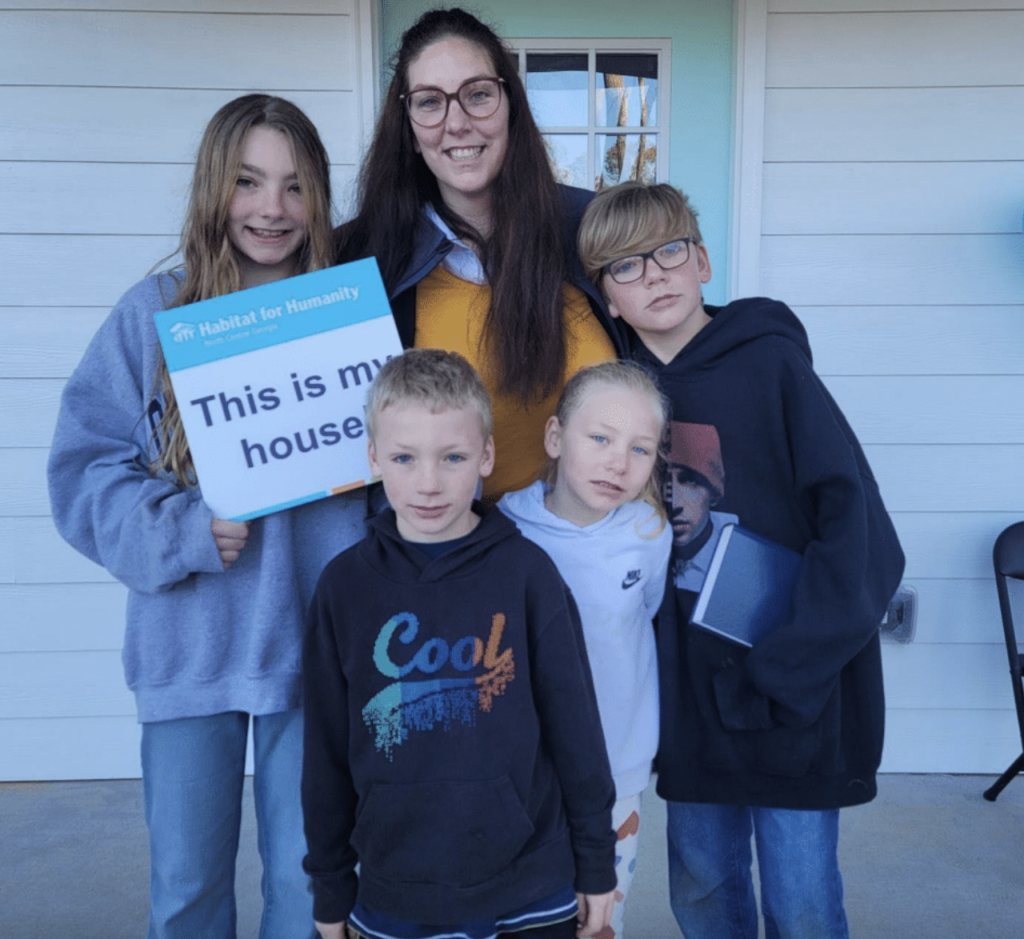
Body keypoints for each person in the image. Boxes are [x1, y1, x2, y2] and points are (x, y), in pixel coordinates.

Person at [47, 95, 365, 939]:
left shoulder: (350, 321)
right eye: (248, 182)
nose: (272, 208)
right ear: (211, 188)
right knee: (187, 889)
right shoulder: (149, 316)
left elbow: (410, 460)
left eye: (296, 187)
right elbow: (82, 473)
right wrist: (182, 529)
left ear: (321, 198)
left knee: (312, 892)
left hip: (316, 648)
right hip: (188, 647)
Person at [577, 182, 906, 939]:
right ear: (608, 299)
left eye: (668, 251)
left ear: (703, 261)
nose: (653, 274)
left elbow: (862, 536)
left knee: (802, 900)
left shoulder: (773, 369)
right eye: (625, 267)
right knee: (703, 886)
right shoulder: (611, 396)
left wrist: (790, 667)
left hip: (791, 693)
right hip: (690, 702)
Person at [301, 349, 617, 939]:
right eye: (403, 457)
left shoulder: (528, 575)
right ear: (373, 458)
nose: (428, 483)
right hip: (396, 889)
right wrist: (331, 888)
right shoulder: (344, 587)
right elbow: (324, 755)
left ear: (487, 456)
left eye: (453, 457)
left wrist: (596, 865)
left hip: (531, 884)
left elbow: (577, 730)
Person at [335, 7, 623, 500]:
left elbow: (678, 335)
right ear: (407, 124)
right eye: (429, 102)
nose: (457, 122)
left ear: (509, 101)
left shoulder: (588, 225)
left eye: (478, 95)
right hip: (445, 558)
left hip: (590, 548)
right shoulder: (360, 257)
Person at [498, 361, 672, 938]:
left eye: (639, 448)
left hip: (615, 767)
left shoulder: (649, 532)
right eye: (599, 438)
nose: (617, 462)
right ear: (555, 437)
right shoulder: (505, 529)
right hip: (526, 771)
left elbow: (639, 617)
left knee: (598, 918)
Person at [663, 422, 738, 592]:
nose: (675, 504)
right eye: (661, 480)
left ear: (714, 493)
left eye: (690, 481)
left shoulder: (742, 561)